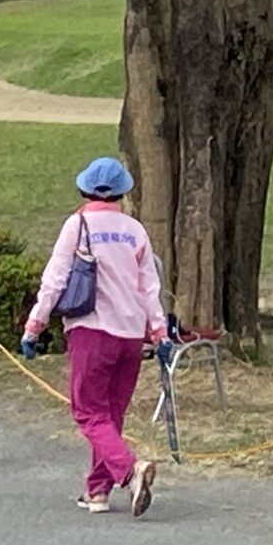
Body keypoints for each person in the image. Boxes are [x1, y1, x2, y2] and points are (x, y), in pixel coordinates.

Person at [21, 157, 164, 517]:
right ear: (122, 191)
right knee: (111, 414)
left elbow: (54, 279)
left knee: (88, 412)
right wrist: (160, 332)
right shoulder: (135, 231)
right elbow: (150, 288)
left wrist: (34, 325)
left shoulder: (77, 225)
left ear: (84, 188)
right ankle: (97, 491)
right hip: (131, 335)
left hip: (91, 329)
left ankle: (131, 470)